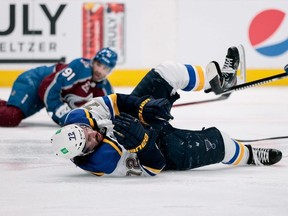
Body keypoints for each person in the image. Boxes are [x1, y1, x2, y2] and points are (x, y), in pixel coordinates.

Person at [50, 45, 282, 177]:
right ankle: (250, 155)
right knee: (218, 142)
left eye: (84, 131)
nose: (92, 134)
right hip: (158, 146)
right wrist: (141, 142)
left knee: (166, 72)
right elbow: (153, 166)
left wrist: (143, 108)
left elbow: (116, 101)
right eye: (88, 142)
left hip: (136, 118)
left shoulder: (78, 116)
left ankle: (220, 80)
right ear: (83, 153)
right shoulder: (103, 162)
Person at [0, 47, 118, 127]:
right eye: (98, 65)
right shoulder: (79, 67)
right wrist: (60, 113)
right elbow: (47, 87)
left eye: (105, 69)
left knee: (12, 113)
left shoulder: (104, 89)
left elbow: (105, 114)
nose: (99, 71)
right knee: (12, 116)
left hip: (42, 97)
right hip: (33, 82)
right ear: (93, 61)